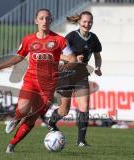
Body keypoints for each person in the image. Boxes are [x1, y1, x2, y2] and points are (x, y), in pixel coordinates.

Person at [0, 8, 76, 153]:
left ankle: (11, 146)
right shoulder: (28, 39)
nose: (44, 21)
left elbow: (72, 59)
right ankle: (16, 118)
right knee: (23, 109)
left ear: (51, 20)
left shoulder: (59, 40)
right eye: (41, 18)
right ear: (36, 21)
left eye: (47, 18)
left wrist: (63, 71)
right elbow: (18, 57)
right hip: (31, 80)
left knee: (31, 119)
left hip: (48, 86)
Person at [47, 11, 102, 147]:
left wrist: (98, 67)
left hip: (81, 75)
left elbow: (98, 56)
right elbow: (58, 54)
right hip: (66, 75)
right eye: (84, 21)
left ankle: (81, 141)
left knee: (84, 106)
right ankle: (51, 122)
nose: (87, 24)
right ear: (79, 22)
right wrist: (73, 59)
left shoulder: (93, 38)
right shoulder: (71, 36)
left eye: (89, 22)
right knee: (64, 110)